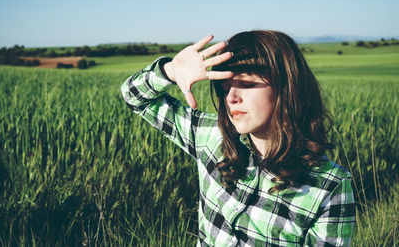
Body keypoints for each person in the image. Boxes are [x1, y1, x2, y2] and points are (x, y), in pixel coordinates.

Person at [121, 30, 355, 246]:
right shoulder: (212, 137)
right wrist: (169, 71)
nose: (231, 98)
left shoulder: (329, 185)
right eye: (224, 88)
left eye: (245, 84)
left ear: (288, 88)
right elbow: (135, 97)